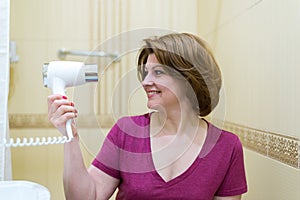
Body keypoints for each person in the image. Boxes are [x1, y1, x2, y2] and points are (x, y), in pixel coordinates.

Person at [47, 33, 248, 200]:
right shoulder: (126, 132)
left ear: (189, 80)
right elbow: (85, 197)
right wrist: (70, 136)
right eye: (146, 73)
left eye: (158, 72)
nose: (145, 82)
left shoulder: (227, 147)